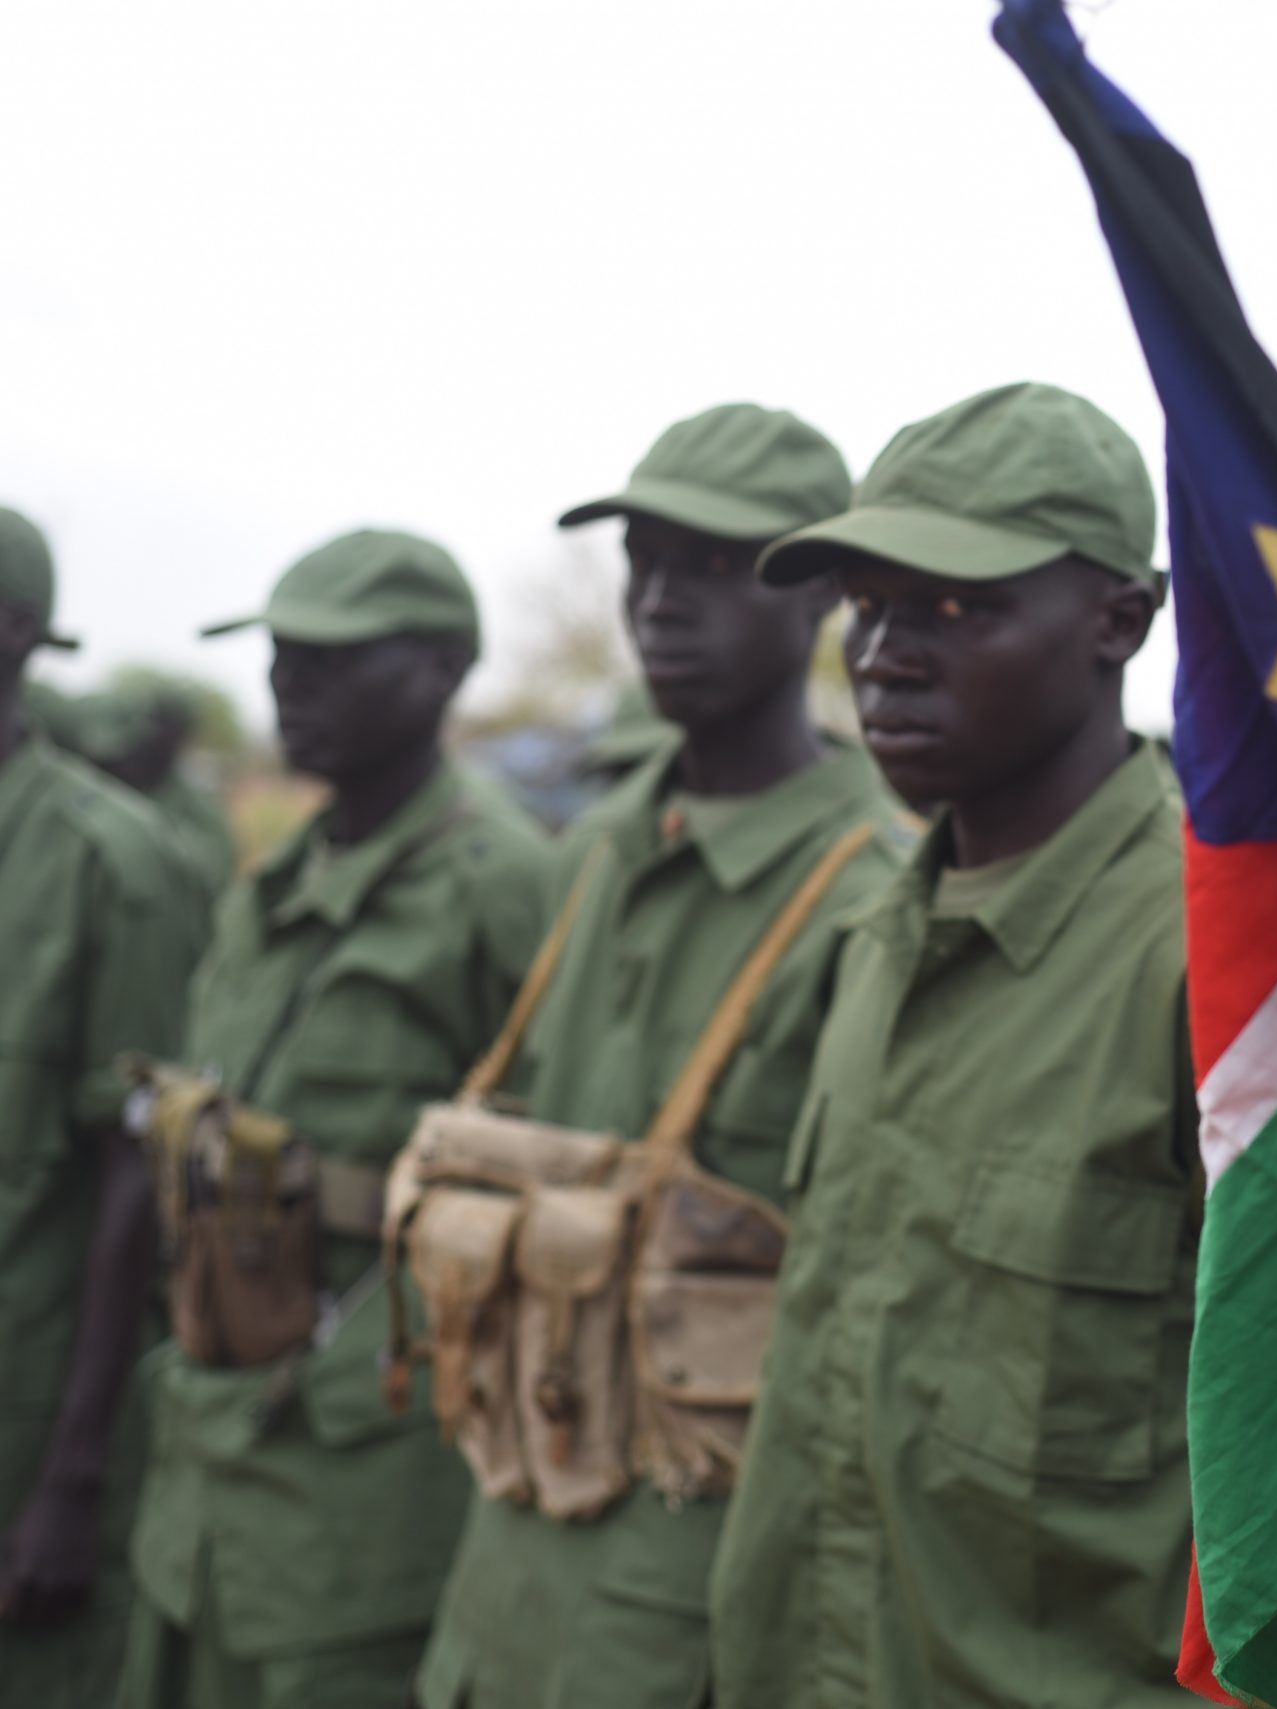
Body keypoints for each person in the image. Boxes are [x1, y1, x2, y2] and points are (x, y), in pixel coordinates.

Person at [708, 382, 1196, 1708]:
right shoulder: (876, 935)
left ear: (1120, 620)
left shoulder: (1212, 972)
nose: (885, 654)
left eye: (958, 606)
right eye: (869, 607)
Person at [412, 403, 906, 1709]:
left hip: (690, 1573)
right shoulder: (596, 851)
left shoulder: (875, 893)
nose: (661, 604)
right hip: (511, 1517)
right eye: (645, 564)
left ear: (818, 595)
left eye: (714, 566)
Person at [120, 530, 551, 1708]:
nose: (288, 689)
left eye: (332, 660)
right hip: (205, 1463)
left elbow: (560, 1195)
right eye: (279, 660)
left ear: (444, 667)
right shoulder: (273, 881)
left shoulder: (505, 883)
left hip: (367, 1503)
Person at [0, 506, 203, 1703]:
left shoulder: (109, 861)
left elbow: (142, 1176)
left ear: (17, 631)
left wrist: (74, 1477)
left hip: (29, 1424)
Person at [74, 681, 236, 908]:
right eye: (147, 723)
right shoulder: (107, 787)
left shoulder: (199, 810)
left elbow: (212, 879)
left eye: (164, 725)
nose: (151, 736)